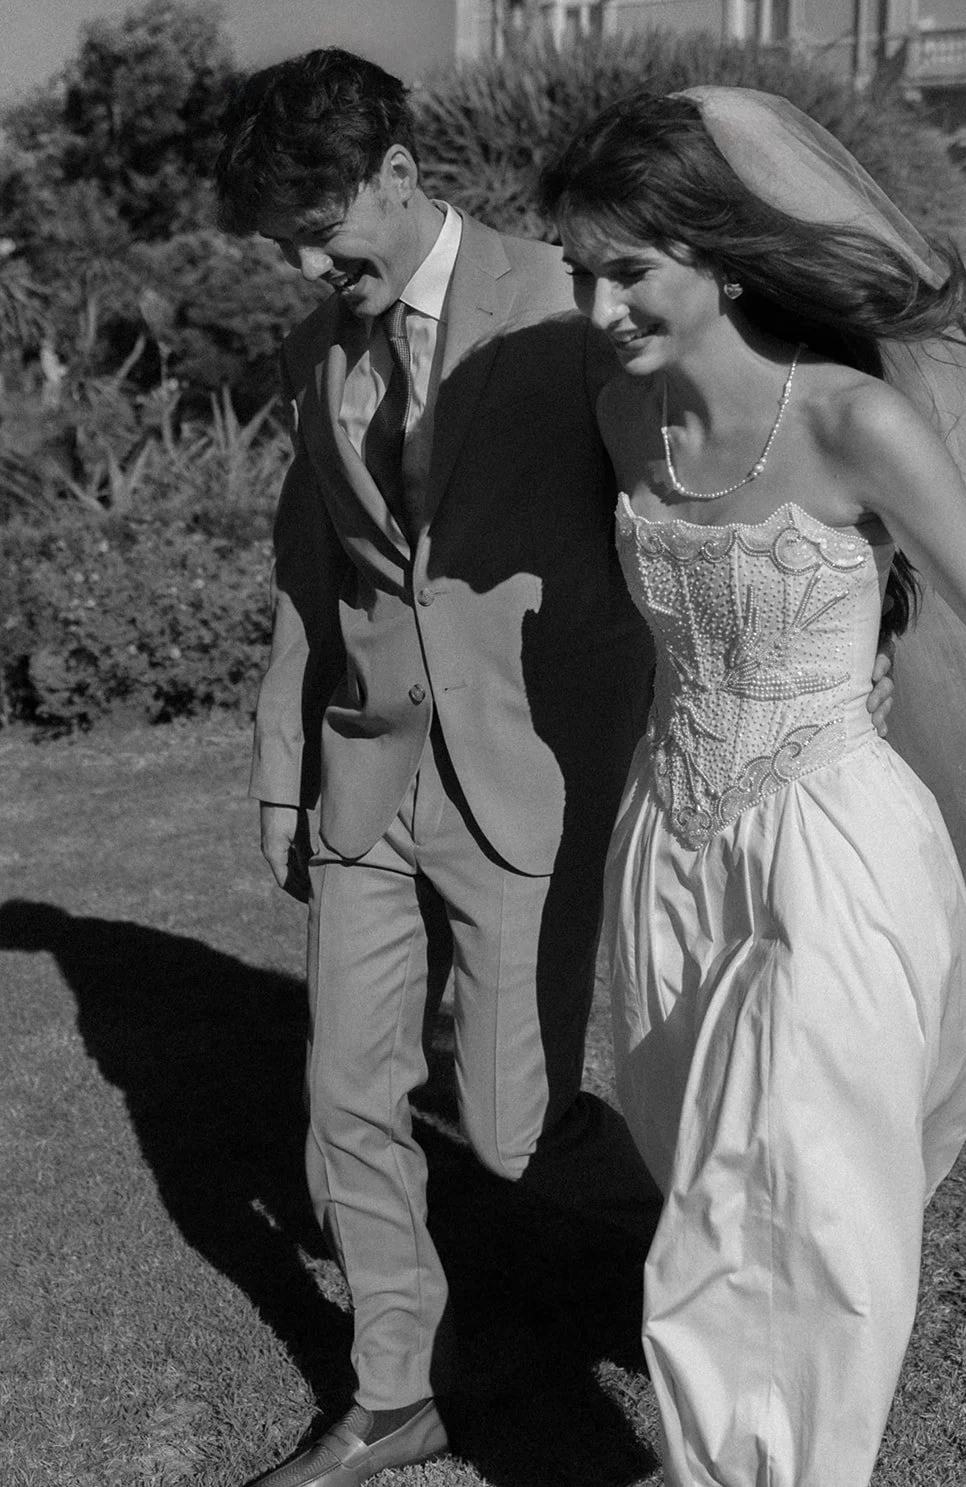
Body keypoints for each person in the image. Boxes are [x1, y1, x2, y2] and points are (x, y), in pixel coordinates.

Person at [539, 88, 966, 1487]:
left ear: (721, 255)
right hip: (669, 841)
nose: (601, 300)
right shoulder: (622, 420)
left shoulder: (860, 422)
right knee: (704, 1166)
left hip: (829, 845)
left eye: (628, 268)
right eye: (582, 270)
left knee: (785, 1189)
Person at [211, 50, 663, 1487]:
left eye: (315, 225)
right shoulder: (317, 346)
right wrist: (286, 774)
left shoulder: (568, 305)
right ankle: (397, 1385)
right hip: (367, 772)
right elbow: (309, 570)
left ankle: (715, 1249)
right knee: (344, 1093)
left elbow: (679, 506)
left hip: (535, 763)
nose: (301, 260)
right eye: (280, 237)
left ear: (399, 176)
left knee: (512, 1122)